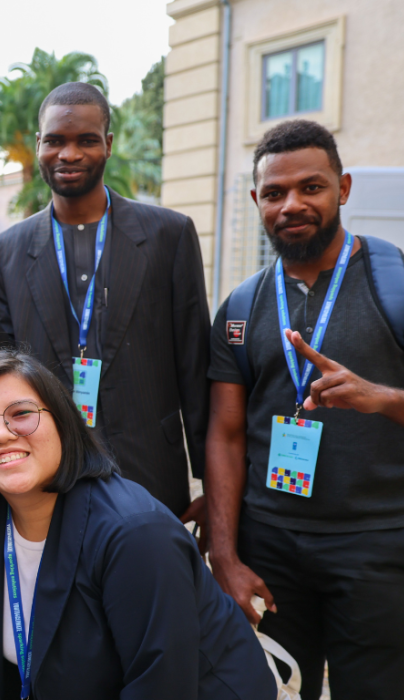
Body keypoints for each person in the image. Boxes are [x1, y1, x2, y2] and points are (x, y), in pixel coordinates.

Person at [0, 82, 211, 534]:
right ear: (39, 146)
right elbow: (5, 366)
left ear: (107, 145)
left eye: (85, 140)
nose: (69, 153)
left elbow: (196, 366)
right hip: (50, 475)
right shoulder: (8, 249)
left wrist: (214, 490)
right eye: (55, 141)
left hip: (150, 471)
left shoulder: (169, 234)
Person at [0, 348, 274, 699]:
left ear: (63, 421)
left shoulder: (137, 536)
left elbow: (159, 686)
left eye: (21, 414)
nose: (1, 434)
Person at [206, 119, 404, 700]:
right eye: (274, 193)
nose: (292, 205)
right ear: (257, 201)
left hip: (376, 547)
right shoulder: (241, 307)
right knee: (276, 690)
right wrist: (224, 555)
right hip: (271, 548)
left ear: (342, 188)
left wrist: (383, 398)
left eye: (310, 188)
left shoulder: (394, 285)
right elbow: (225, 435)